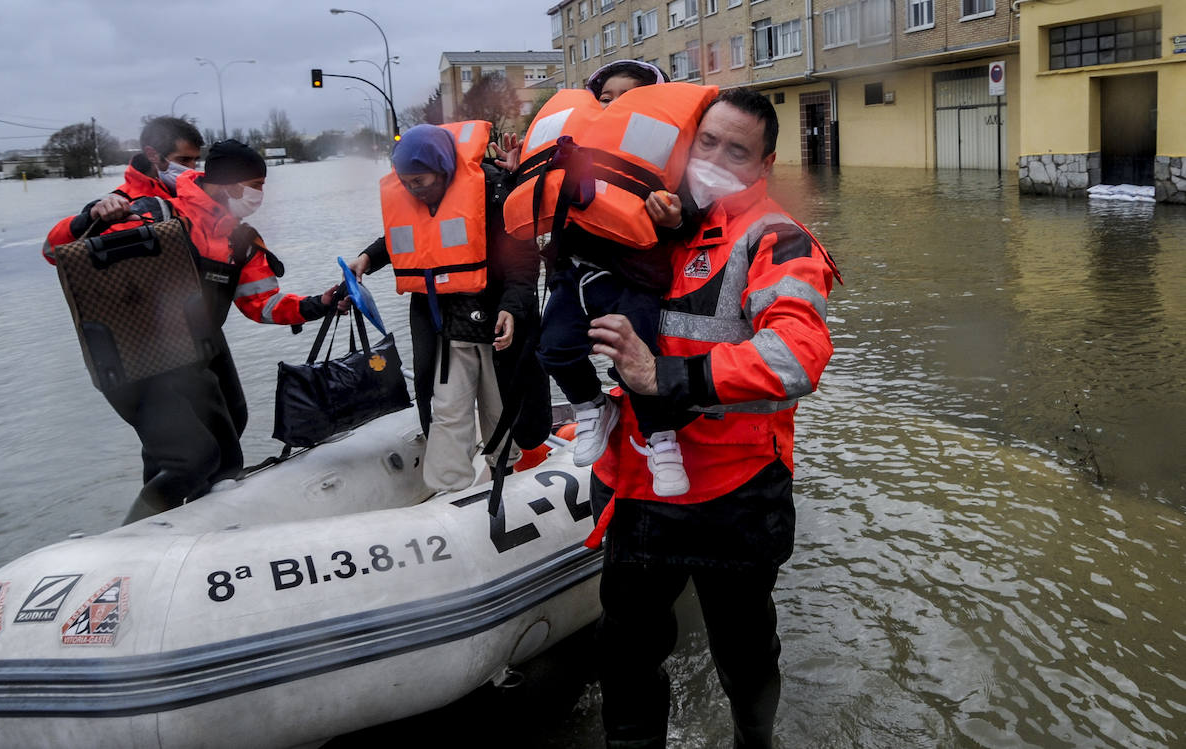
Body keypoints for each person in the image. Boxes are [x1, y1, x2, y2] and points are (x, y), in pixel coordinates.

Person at [585, 88, 842, 748]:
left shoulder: (777, 237)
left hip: (735, 496)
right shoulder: (644, 226)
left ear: (765, 164)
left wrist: (666, 378)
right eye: (707, 143)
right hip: (642, 488)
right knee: (627, 657)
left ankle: (756, 740)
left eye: (737, 150)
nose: (717, 159)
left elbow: (796, 356)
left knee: (745, 653)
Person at [49, 139, 335, 523]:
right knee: (191, 458)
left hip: (197, 348)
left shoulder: (238, 238)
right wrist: (90, 219)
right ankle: (134, 538)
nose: (260, 195)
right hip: (135, 356)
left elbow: (262, 303)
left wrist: (321, 303)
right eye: (257, 185)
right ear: (230, 184)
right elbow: (54, 251)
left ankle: (203, 529)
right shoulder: (155, 213)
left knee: (231, 434)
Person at [519, 60, 711, 497]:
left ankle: (662, 439)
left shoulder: (673, 150)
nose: (614, 106)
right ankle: (591, 407)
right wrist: (523, 174)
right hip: (575, 274)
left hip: (635, 278)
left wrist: (678, 216)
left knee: (636, 362)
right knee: (554, 348)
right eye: (605, 99)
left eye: (628, 98)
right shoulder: (571, 147)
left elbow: (697, 206)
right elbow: (542, 203)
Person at [345, 123, 549, 492]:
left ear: (443, 168)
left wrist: (513, 309)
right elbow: (405, 238)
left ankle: (509, 470)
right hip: (442, 322)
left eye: (419, 181)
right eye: (405, 182)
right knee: (448, 408)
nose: (412, 189)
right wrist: (367, 259)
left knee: (498, 405)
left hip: (493, 318)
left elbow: (522, 258)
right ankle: (449, 487)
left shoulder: (494, 187)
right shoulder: (412, 194)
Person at [42, 116, 203, 258]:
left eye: (196, 160)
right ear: (152, 154)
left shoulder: (202, 193)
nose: (191, 168)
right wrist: (90, 218)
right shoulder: (122, 205)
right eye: (184, 160)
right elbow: (52, 251)